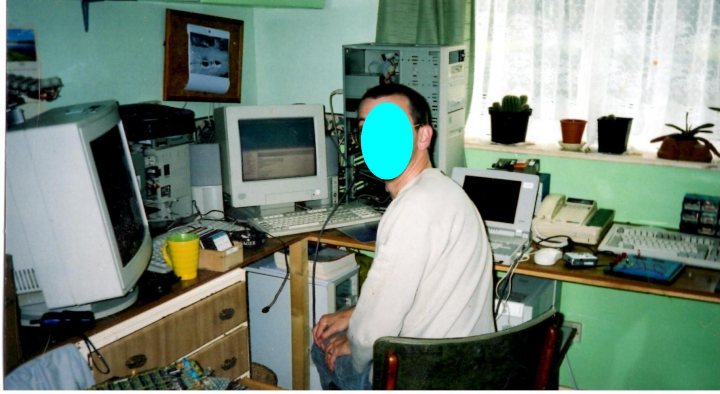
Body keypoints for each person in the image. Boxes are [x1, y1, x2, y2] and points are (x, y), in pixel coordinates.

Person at [310, 83, 496, 390]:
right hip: (468, 364)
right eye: (365, 128)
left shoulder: (412, 209)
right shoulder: (445, 191)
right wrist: (354, 315)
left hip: (425, 377)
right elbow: (415, 292)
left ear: (424, 136)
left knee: (321, 346)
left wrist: (355, 348)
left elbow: (373, 332)